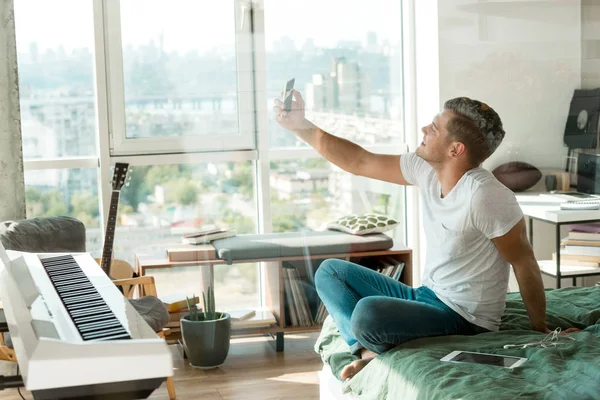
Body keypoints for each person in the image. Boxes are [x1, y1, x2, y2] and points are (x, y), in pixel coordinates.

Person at [273, 91, 580, 381]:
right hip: (426, 296)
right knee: (331, 272)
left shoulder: (485, 196)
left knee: (367, 313)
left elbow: (523, 261)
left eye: (433, 129)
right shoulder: (425, 169)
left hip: (465, 319)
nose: (424, 129)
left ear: (455, 149)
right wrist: (300, 126)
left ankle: (372, 349)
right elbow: (359, 161)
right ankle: (367, 351)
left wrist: (541, 328)